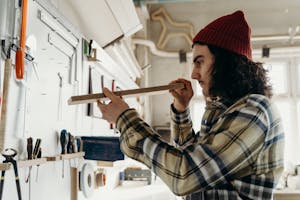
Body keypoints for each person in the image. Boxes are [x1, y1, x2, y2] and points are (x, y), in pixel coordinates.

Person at [97, 10, 284, 200]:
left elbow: (185, 176)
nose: (193, 74)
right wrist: (181, 109)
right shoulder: (227, 111)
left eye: (199, 62)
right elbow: (191, 156)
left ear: (225, 63)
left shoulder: (254, 111)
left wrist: (125, 119)